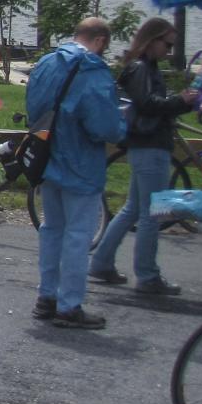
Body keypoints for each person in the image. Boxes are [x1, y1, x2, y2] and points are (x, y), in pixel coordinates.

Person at [87, 18, 198, 298]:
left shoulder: (142, 67)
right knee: (152, 212)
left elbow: (152, 105)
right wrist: (180, 101)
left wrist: (181, 103)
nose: (169, 51)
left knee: (134, 209)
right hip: (150, 145)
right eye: (167, 45)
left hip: (145, 144)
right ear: (152, 40)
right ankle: (147, 275)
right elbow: (148, 105)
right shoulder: (140, 68)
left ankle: (101, 263)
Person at [28, 17, 126, 329]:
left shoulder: (47, 63)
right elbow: (104, 127)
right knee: (78, 235)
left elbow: (34, 109)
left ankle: (46, 296)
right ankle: (69, 304)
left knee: (52, 229)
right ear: (100, 41)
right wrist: (123, 126)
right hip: (81, 162)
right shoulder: (93, 70)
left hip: (48, 158)